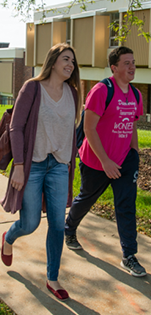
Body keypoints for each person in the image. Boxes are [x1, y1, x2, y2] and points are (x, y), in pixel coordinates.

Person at [0, 43, 82, 301]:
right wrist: (20, 167)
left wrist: (70, 161)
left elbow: (72, 131)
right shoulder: (32, 87)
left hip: (59, 166)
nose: (70, 64)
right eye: (65, 59)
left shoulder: (73, 93)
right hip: (33, 165)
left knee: (58, 224)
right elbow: (16, 127)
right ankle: (9, 236)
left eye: (73, 61)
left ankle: (52, 277)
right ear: (53, 61)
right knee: (30, 223)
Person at [64, 46, 146, 277]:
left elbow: (131, 126)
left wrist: (134, 154)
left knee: (126, 205)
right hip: (95, 160)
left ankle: (129, 255)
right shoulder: (101, 90)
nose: (132, 67)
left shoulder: (136, 94)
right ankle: (69, 228)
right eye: (127, 63)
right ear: (114, 67)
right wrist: (106, 162)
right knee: (87, 198)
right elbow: (89, 128)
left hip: (124, 160)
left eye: (133, 62)